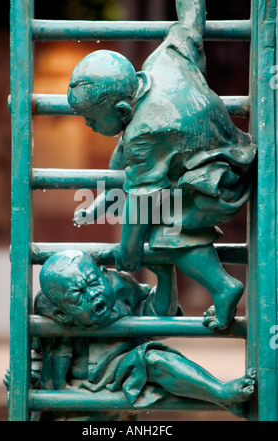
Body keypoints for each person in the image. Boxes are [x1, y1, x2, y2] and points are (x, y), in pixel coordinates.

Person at [67, 0, 256, 330]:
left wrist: (128, 251)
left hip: (221, 182)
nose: (88, 126)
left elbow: (142, 202)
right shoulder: (163, 60)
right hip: (220, 160)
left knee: (167, 233)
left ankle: (224, 288)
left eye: (91, 119)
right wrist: (105, 199)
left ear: (124, 111)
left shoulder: (145, 132)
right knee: (158, 210)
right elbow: (189, 25)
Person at [31, 250, 255, 421]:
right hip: (80, 386)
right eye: (79, 295)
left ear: (105, 274)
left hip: (124, 368)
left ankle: (221, 393)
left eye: (93, 283)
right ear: (62, 313)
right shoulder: (49, 309)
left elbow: (158, 319)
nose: (93, 294)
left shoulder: (121, 287)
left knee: (156, 358)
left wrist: (165, 275)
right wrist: (27, 376)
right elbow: (41, 354)